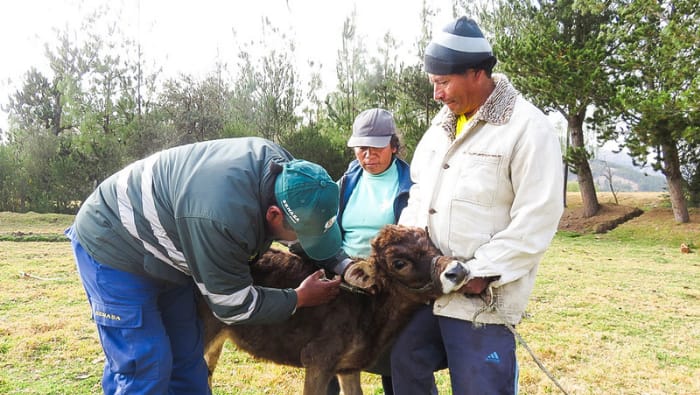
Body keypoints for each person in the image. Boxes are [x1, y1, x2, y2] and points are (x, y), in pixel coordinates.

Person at [65, 137, 344, 394]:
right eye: (302, 234)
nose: (302, 242)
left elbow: (302, 229)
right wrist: (298, 298)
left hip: (171, 245)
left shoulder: (295, 178)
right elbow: (233, 304)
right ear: (274, 214)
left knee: (187, 357)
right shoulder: (221, 221)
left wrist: (340, 263)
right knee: (146, 363)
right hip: (114, 241)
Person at [390, 17, 564, 394]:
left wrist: (480, 270)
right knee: (404, 363)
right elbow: (419, 194)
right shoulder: (440, 128)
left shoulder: (528, 129)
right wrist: (405, 250)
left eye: (443, 83)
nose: (437, 94)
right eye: (433, 83)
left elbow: (538, 217)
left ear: (477, 73)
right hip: (430, 291)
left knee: (481, 387)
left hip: (481, 300)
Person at [324, 108, 412, 395]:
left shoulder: (411, 184)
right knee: (330, 354)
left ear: (394, 146)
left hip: (388, 284)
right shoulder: (347, 181)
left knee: (397, 361)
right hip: (344, 276)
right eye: (362, 148)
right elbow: (330, 227)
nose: (368, 155)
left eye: (376, 148)